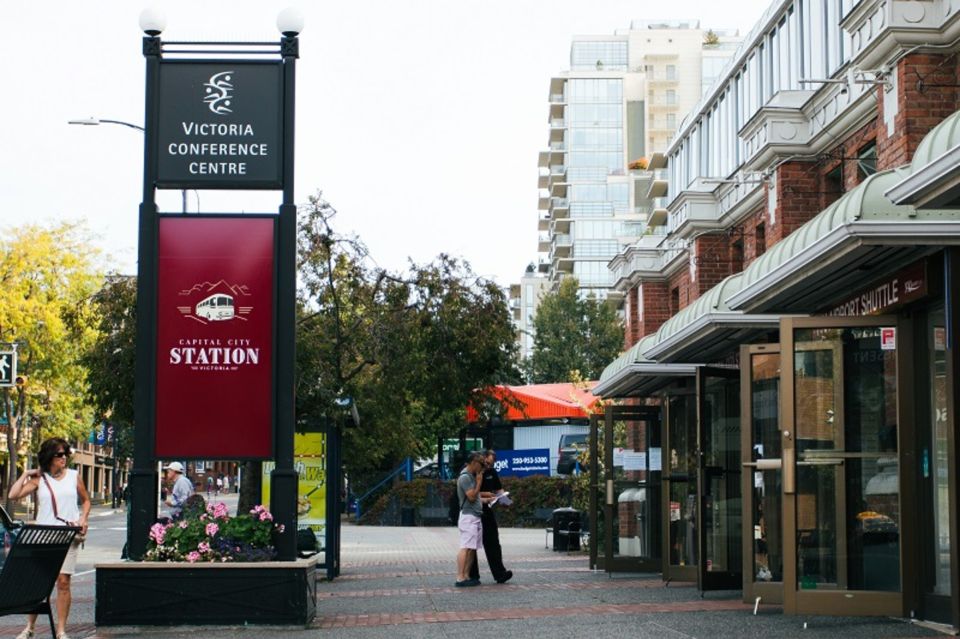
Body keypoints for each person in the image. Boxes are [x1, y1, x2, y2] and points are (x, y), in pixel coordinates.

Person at [7, 437, 91, 639]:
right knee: (38, 582)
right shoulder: (39, 479)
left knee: (63, 582)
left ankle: (61, 630)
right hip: (44, 536)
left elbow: (86, 501)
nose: (64, 458)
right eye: (59, 454)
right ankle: (30, 628)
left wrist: (83, 518)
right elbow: (13, 495)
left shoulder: (74, 476)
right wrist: (27, 473)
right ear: (49, 457)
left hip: (68, 535)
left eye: (65, 454)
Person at [468, 450, 513, 584]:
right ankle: (472, 575)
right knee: (471, 544)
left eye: (491, 464)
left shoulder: (492, 472)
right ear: (482, 459)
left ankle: (500, 573)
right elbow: (470, 494)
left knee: (493, 542)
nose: (488, 466)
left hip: (487, 511)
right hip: (473, 511)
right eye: (486, 463)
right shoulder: (471, 472)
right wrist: (486, 495)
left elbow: (499, 491)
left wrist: (506, 501)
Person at [455, 451, 490, 587]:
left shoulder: (470, 476)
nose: (482, 467)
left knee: (472, 548)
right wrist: (479, 482)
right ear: (474, 463)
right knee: (465, 547)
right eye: (481, 464)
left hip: (475, 515)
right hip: (468, 517)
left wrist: (487, 499)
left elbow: (475, 497)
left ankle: (467, 575)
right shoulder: (465, 477)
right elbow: (471, 496)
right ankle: (460, 577)